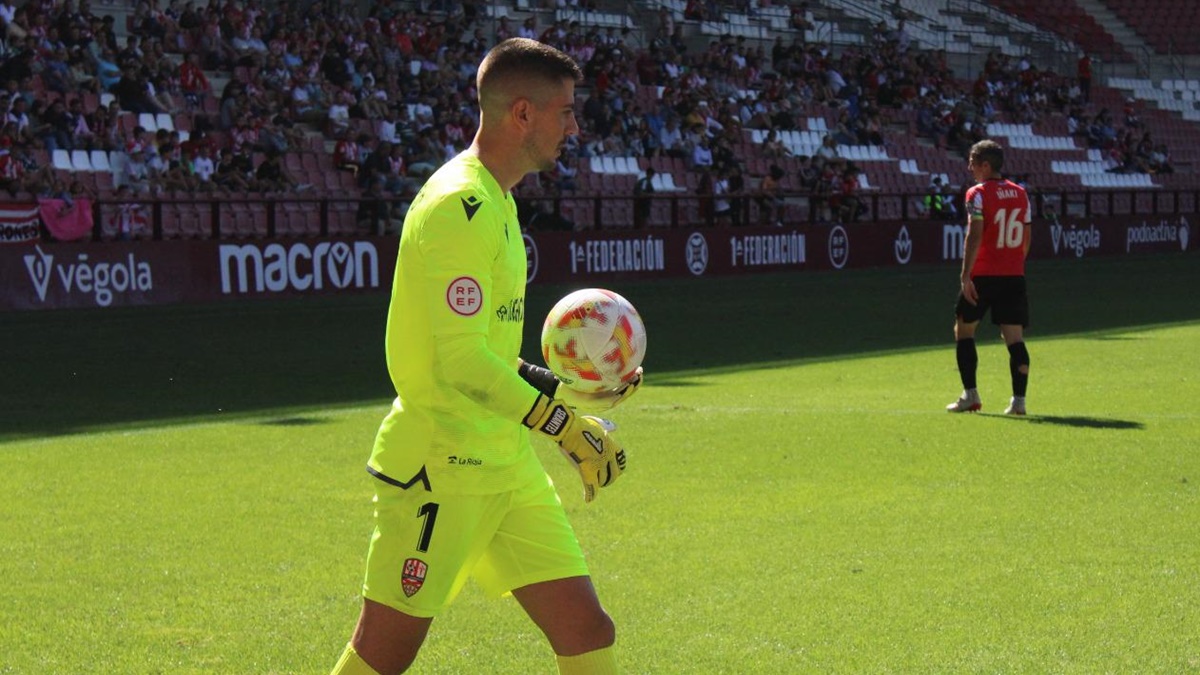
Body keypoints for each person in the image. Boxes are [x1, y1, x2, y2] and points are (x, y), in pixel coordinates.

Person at [329, 38, 643, 675]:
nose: (575, 126)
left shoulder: (497, 198)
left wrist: (568, 391)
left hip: (502, 459)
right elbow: (462, 365)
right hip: (441, 468)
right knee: (383, 653)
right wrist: (564, 428)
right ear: (521, 114)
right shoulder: (458, 206)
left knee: (586, 628)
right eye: (565, 111)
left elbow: (491, 353)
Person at [947, 139, 1032, 416]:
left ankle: (970, 395)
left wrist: (965, 274)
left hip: (984, 274)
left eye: (973, 161)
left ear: (986, 165)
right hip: (1013, 275)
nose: (969, 166)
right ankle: (1019, 401)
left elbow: (974, 235)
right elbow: (1027, 238)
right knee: (1014, 338)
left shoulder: (977, 194)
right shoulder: (1021, 193)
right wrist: (1015, 263)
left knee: (964, 330)